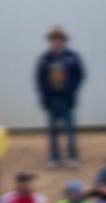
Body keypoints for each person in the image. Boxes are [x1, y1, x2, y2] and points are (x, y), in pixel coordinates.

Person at [36, 26, 85, 169]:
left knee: (70, 130)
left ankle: (72, 157)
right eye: (54, 39)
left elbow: (80, 75)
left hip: (67, 99)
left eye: (60, 39)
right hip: (52, 99)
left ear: (64, 41)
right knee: (53, 131)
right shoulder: (44, 59)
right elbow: (39, 79)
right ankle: (54, 157)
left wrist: (72, 90)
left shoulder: (72, 56)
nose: (57, 42)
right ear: (51, 41)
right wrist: (44, 97)